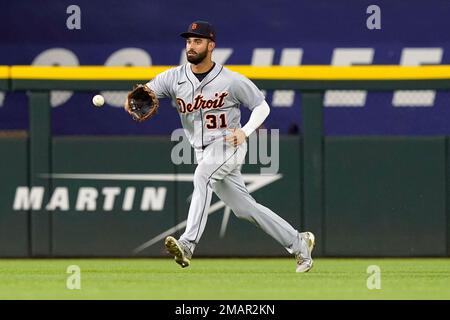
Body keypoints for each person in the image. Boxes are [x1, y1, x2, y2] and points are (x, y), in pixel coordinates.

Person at [137, 21, 315, 272]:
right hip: (202, 151)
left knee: (202, 176)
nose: (191, 45)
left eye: (197, 41)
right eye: (188, 41)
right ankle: (299, 242)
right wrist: (136, 98)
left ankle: (187, 244)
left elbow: (262, 106)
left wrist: (245, 132)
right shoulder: (173, 77)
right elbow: (147, 92)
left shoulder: (231, 80)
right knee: (245, 209)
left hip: (228, 144)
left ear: (211, 45)